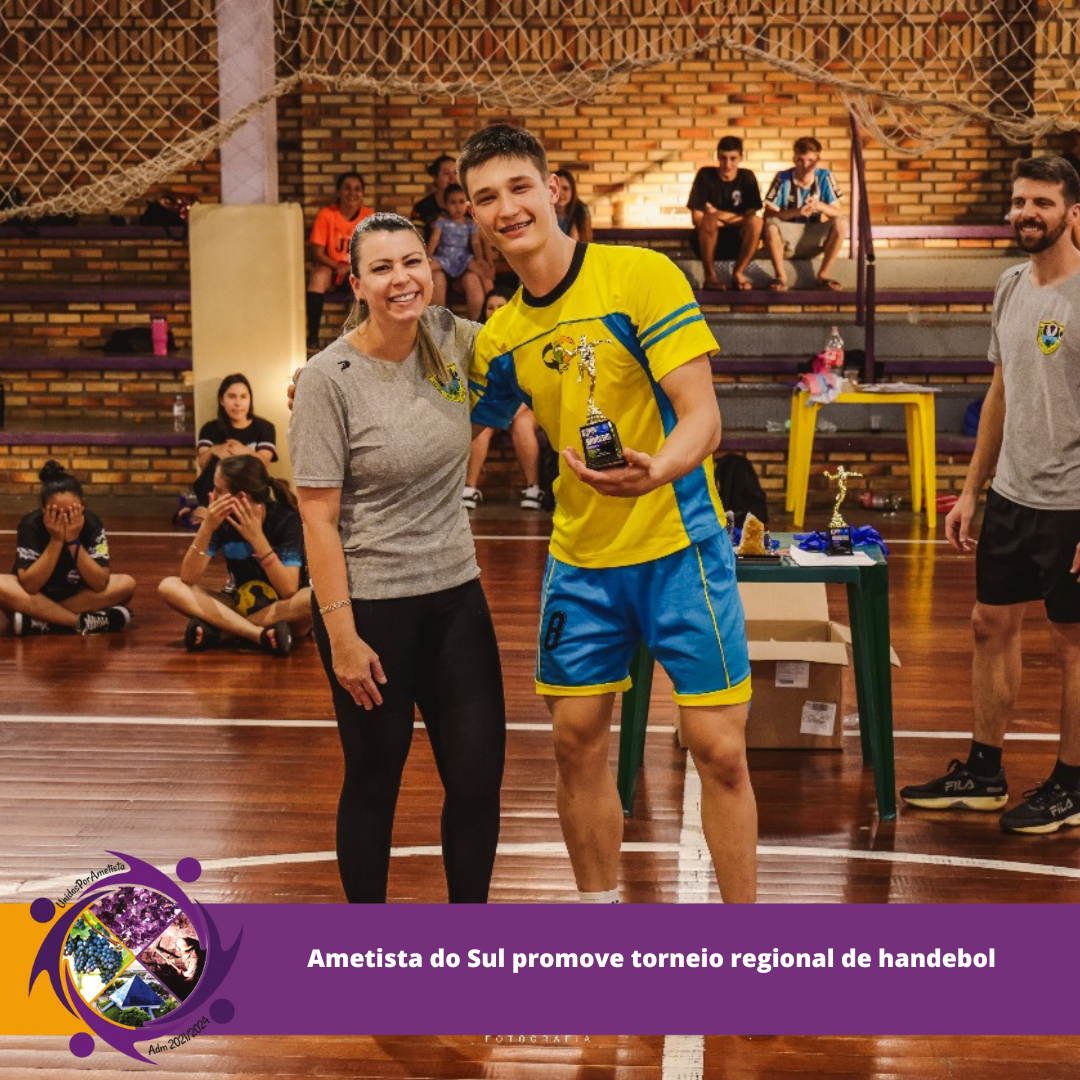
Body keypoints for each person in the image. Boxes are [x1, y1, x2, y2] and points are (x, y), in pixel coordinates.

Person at [459, 124, 756, 903]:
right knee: (574, 741)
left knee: (719, 749)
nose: (507, 208)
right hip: (582, 565)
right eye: (486, 198)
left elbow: (703, 417)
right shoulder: (500, 338)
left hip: (678, 547)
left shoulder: (639, 276)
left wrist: (660, 468)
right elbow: (455, 426)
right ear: (473, 215)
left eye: (519, 187)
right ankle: (602, 923)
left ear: (552, 190)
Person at [289, 212, 506, 903]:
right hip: (371, 608)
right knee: (374, 778)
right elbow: (317, 519)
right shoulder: (327, 379)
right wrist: (342, 637)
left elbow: (534, 342)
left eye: (412, 262)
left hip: (455, 595)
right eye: (381, 268)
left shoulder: (451, 337)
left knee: (477, 779)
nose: (402, 279)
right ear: (356, 284)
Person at [900, 155, 1080, 835]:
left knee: (1073, 644)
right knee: (989, 624)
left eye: (1043, 203)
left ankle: (1073, 784)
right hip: (1012, 494)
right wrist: (972, 490)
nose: (1027, 214)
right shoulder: (1010, 285)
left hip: (1071, 503)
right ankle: (983, 773)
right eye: (1020, 202)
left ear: (1073, 214)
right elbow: (1001, 391)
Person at [158, 454, 311, 656]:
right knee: (169, 586)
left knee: (312, 599)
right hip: (237, 602)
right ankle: (257, 634)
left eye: (218, 490)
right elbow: (188, 577)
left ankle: (225, 631)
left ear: (240, 497)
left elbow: (289, 589)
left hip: (281, 607)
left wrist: (258, 539)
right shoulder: (220, 520)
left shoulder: (286, 520)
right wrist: (206, 528)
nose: (212, 495)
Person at [0, 460, 135, 636]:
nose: (64, 519)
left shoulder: (92, 524)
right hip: (35, 597)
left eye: (72, 512)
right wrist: (56, 540)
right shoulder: (31, 524)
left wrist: (73, 541)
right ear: (44, 510)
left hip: (76, 597)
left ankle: (41, 621)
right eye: (57, 513)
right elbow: (30, 586)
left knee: (126, 584)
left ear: (83, 506)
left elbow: (100, 583)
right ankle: (80, 622)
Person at [463, 287, 545, 511]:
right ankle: (469, 487)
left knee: (522, 425)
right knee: (482, 426)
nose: (495, 311)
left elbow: (535, 383)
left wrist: (511, 411)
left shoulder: (527, 335)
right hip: (492, 403)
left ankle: (533, 488)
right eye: (490, 307)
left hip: (525, 405)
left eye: (501, 306)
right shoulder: (477, 338)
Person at [176, 373, 278, 530]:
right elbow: (203, 464)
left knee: (230, 461)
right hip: (219, 491)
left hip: (249, 490)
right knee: (220, 459)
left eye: (243, 397)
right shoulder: (210, 428)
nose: (238, 403)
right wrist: (215, 450)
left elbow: (263, 464)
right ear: (222, 400)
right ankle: (205, 508)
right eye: (231, 397)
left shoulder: (265, 428)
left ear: (250, 399)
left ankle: (203, 510)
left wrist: (244, 451)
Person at [762, 136, 847, 291]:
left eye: (810, 161)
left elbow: (838, 213)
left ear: (818, 160)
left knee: (841, 223)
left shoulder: (825, 176)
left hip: (813, 236)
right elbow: (767, 215)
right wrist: (796, 212)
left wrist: (820, 206)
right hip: (788, 237)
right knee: (770, 225)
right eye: (800, 160)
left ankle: (823, 274)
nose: (805, 166)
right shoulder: (783, 177)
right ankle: (781, 276)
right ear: (794, 159)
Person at [306, 171, 375, 350]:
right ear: (338, 192)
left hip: (356, 269)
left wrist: (352, 267)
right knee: (318, 276)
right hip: (331, 267)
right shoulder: (326, 214)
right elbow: (317, 252)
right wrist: (337, 266)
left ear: (363, 193)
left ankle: (358, 339)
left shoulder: (369, 216)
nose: (352, 193)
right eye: (347, 188)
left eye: (357, 189)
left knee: (361, 281)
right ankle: (313, 337)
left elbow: (373, 252)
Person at [686, 136, 763, 290]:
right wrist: (720, 219)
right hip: (707, 242)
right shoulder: (705, 175)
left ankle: (738, 273)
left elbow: (750, 218)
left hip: (738, 241)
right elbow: (697, 219)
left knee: (756, 222)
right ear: (718, 157)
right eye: (723, 158)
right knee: (708, 220)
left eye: (733, 159)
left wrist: (716, 213)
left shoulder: (747, 177)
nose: (727, 164)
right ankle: (710, 278)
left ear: (741, 158)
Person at [427, 183, 495, 321]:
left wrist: (480, 259)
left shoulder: (470, 223)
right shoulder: (442, 221)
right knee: (426, 268)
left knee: (483, 273)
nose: (457, 206)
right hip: (444, 257)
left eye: (461, 202)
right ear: (445, 205)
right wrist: (428, 256)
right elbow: (434, 239)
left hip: (463, 258)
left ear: (467, 204)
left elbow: (476, 243)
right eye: (453, 203)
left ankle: (493, 304)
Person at [410, 154, 459, 239]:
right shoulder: (422, 207)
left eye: (455, 173)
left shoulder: (469, 206)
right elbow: (416, 239)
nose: (452, 178)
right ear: (435, 177)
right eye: (446, 173)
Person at [555, 169, 593, 242]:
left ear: (573, 191)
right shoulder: (545, 210)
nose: (560, 193)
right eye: (556, 188)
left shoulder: (581, 210)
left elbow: (576, 241)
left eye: (565, 189)